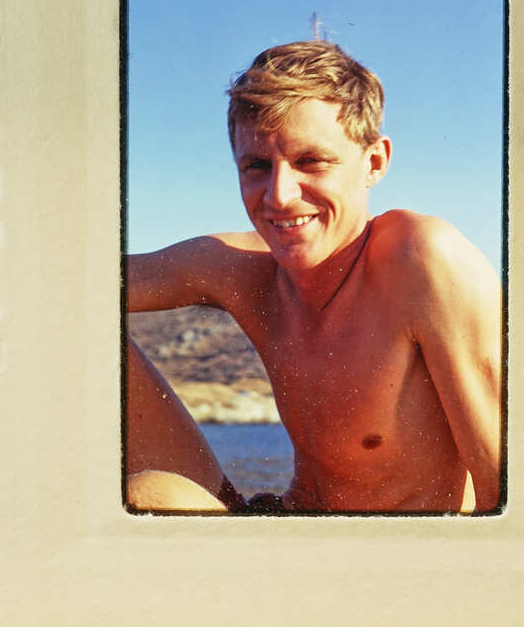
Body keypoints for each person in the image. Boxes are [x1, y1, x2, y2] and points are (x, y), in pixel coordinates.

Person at [125, 41, 502, 514]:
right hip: (290, 528)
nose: (279, 196)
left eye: (311, 162)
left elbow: (509, 495)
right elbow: (71, 279)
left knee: (150, 496)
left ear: (375, 162)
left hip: (392, 561)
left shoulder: (423, 262)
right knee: (87, 313)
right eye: (258, 166)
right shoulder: (241, 267)